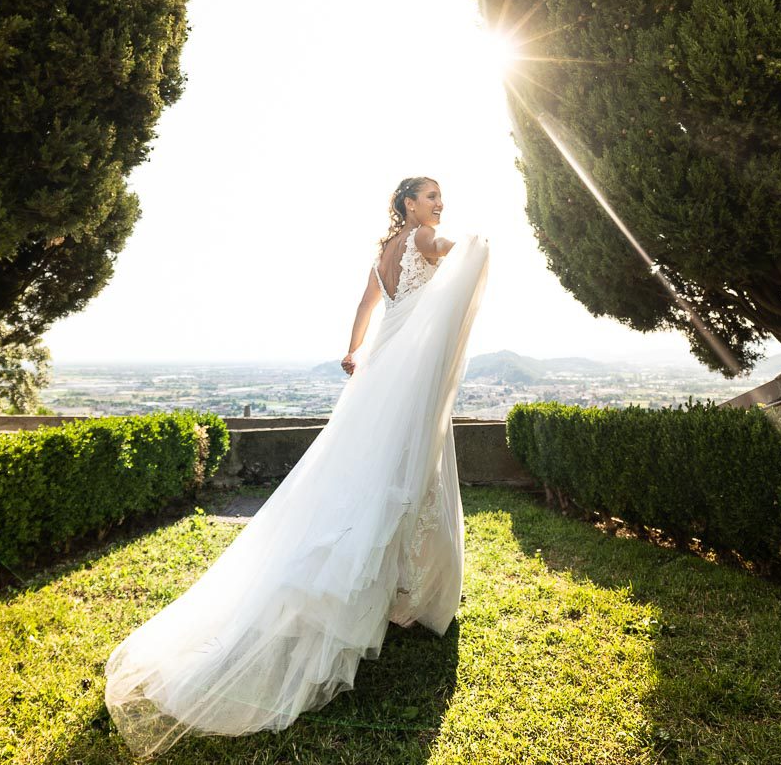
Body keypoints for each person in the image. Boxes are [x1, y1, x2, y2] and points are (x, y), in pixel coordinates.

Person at [102, 176, 491, 758]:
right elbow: (444, 253)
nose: (438, 204)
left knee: (368, 469)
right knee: (410, 469)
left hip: (380, 370)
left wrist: (352, 350)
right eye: (430, 196)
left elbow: (365, 307)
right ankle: (401, 593)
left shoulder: (381, 255)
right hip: (404, 377)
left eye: (440, 198)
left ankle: (393, 586)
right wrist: (475, 245)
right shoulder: (425, 238)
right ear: (408, 204)